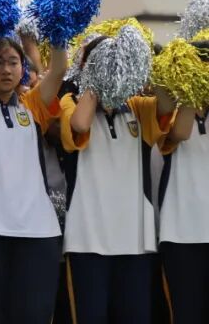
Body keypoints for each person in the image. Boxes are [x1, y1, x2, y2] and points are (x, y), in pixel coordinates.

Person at [60, 35, 175, 324]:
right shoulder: (71, 102)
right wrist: (96, 75)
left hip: (135, 240)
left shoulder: (137, 107)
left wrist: (145, 62)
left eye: (117, 63)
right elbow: (80, 125)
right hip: (87, 240)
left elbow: (166, 104)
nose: (112, 70)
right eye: (104, 64)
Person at [0, 36, 68, 324]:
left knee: (35, 313)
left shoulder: (32, 106)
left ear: (23, 69)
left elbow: (58, 70)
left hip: (38, 229)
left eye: (13, 62)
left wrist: (60, 28)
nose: (6, 69)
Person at [158, 100, 209, 324]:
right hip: (180, 232)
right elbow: (179, 133)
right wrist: (191, 88)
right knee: (187, 314)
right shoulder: (168, 106)